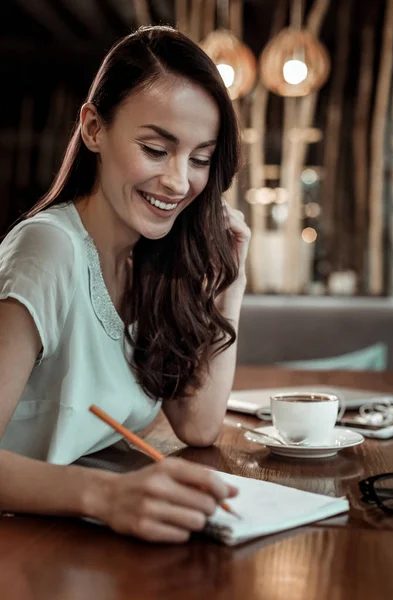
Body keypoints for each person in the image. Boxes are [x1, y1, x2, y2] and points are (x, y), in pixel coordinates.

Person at [0, 25, 250, 543]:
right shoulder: (49, 250)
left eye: (200, 159)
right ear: (93, 128)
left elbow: (199, 425)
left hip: (82, 543)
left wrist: (232, 280)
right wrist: (106, 495)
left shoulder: (151, 263)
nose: (181, 181)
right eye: (156, 149)